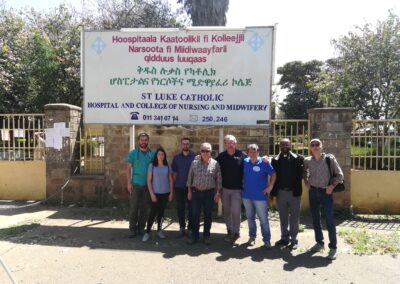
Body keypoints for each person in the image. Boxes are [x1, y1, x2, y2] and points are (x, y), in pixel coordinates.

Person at [303, 138, 344, 260]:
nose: (315, 146)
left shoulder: (329, 159)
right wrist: (306, 181)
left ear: (321, 146)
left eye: (317, 144)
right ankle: (319, 243)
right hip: (313, 192)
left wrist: (331, 186)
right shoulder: (307, 160)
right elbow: (304, 172)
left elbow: (340, 175)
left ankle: (333, 248)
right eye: (312, 145)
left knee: (329, 220)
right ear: (310, 148)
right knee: (315, 219)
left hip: (326, 193)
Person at [271, 138, 304, 250]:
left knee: (294, 217)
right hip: (281, 193)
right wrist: (272, 193)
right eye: (282, 145)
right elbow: (273, 177)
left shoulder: (298, 159)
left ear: (290, 145)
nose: (284, 146)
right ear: (279, 146)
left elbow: (304, 172)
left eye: (287, 144)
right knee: (283, 217)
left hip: (294, 193)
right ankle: (284, 238)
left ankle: (293, 240)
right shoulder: (275, 160)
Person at [186, 142, 222, 245]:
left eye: (208, 151)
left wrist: (217, 193)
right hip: (196, 193)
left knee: (208, 215)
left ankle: (206, 236)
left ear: (211, 152)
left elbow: (218, 180)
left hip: (209, 194)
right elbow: (190, 178)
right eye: (203, 151)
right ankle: (195, 236)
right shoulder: (194, 163)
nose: (205, 153)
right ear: (200, 151)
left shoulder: (215, 164)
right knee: (195, 215)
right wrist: (189, 191)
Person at [242, 144, 276, 248]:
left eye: (255, 151)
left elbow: (274, 174)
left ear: (258, 152)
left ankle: (267, 240)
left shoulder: (264, 162)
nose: (252, 153)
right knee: (250, 218)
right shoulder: (245, 162)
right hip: (246, 195)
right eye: (250, 151)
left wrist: (270, 187)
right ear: (248, 152)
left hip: (260, 197)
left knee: (263, 219)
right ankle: (252, 237)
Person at [216, 135, 247, 243]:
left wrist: (264, 159)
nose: (230, 144)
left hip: (237, 190)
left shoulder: (242, 155)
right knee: (227, 211)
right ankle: (229, 230)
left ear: (235, 143)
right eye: (228, 142)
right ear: (225, 144)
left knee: (236, 211)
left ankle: (236, 231)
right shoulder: (221, 157)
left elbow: (253, 161)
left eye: (232, 142)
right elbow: (212, 167)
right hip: (224, 189)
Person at [126, 133, 155, 237]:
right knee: (134, 208)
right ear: (138, 141)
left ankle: (141, 228)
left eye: (145, 140)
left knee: (145, 208)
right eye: (142, 140)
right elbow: (128, 169)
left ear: (148, 141)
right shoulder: (133, 154)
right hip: (136, 185)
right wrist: (129, 183)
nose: (144, 142)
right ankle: (132, 229)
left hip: (148, 186)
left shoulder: (153, 153)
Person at [142, 148, 174, 242]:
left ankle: (159, 230)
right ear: (156, 155)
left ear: (164, 156)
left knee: (161, 212)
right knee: (152, 213)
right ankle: (147, 232)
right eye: (159, 154)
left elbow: (171, 181)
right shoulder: (152, 166)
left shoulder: (167, 166)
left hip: (165, 193)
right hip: (155, 193)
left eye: (162, 154)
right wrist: (151, 194)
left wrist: (171, 193)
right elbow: (148, 180)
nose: (161, 156)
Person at [171, 137, 196, 237]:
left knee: (192, 208)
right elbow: (174, 173)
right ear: (181, 145)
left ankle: (190, 228)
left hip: (192, 187)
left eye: (187, 143)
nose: (185, 145)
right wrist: (172, 187)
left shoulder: (195, 157)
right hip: (179, 186)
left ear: (189, 145)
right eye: (184, 143)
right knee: (180, 208)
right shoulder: (176, 158)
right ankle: (182, 227)